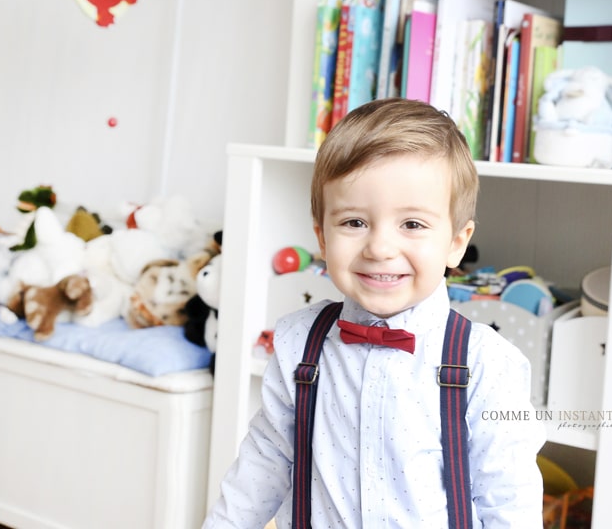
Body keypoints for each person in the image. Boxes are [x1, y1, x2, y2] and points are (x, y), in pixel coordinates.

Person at [203, 98, 545, 528]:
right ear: (322, 238)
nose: (380, 248)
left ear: (457, 242)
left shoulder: (487, 364)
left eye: (413, 225)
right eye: (354, 223)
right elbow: (262, 465)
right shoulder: (297, 342)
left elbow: (508, 501)